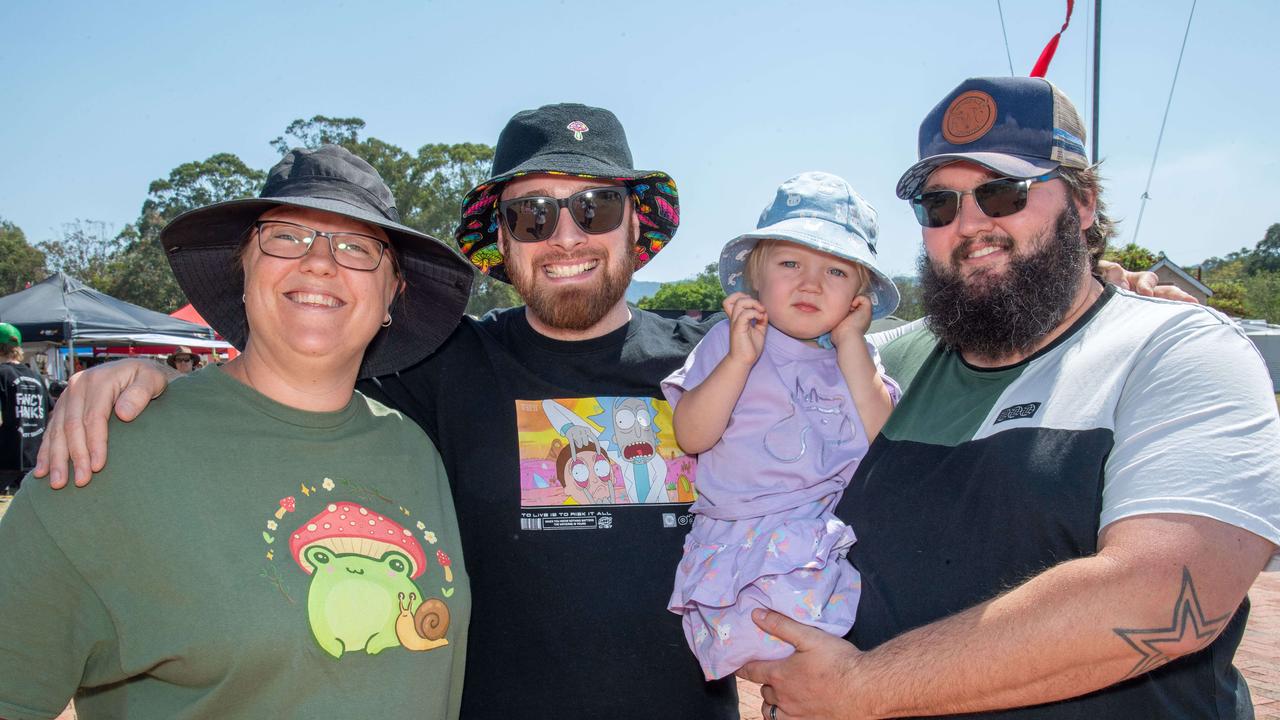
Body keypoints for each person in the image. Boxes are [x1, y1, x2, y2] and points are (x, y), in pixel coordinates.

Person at [32, 102, 1193, 720]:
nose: (567, 236)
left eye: (592, 209)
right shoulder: (437, 369)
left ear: (639, 229)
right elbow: (291, 378)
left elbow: (917, 349)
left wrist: (1104, 291)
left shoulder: (724, 363)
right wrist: (141, 379)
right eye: (533, 218)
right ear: (498, 246)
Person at [739, 76, 1280, 719]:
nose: (969, 224)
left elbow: (1168, 596)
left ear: (1082, 203)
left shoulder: (1176, 352)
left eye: (1003, 193)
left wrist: (862, 688)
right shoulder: (874, 361)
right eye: (939, 205)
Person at [0, 145, 474, 719]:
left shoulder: (412, 449)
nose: (320, 262)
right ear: (243, 270)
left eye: (357, 247)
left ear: (391, 296)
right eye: (285, 236)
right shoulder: (109, 449)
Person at [662, 172, 899, 680]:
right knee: (783, 670)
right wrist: (738, 362)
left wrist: (853, 346)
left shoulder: (859, 357)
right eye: (790, 263)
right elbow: (692, 436)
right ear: (756, 277)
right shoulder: (730, 343)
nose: (811, 283)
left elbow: (887, 445)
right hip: (744, 543)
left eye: (836, 272)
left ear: (860, 296)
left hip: (834, 543)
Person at [0, 322, 51, 494]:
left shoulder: (1, 374)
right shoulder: (36, 377)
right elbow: (51, 413)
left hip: (5, 456)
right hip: (34, 455)